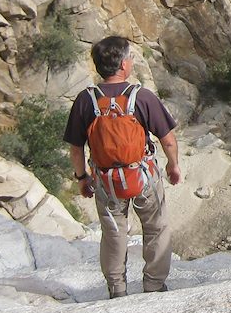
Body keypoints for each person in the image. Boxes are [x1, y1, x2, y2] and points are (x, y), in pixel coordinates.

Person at [64, 35, 182, 298]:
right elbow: (168, 140)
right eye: (129, 57)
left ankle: (117, 288)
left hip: (106, 181)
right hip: (143, 177)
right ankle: (154, 285)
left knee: (114, 232)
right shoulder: (142, 97)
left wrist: (82, 177)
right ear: (123, 65)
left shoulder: (86, 100)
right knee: (156, 227)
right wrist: (173, 167)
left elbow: (75, 147)